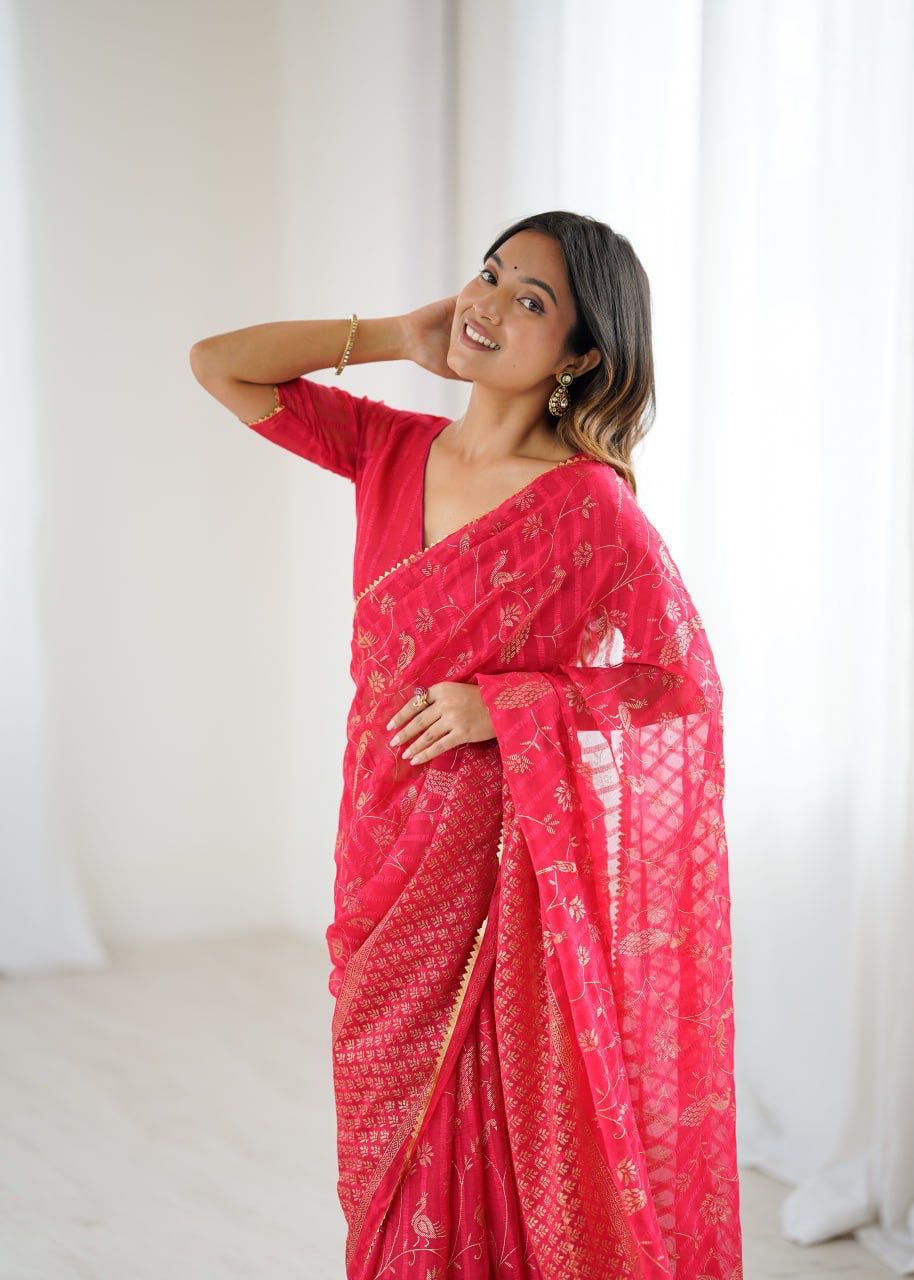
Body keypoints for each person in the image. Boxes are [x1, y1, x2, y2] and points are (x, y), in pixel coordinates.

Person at [190, 211, 743, 1280]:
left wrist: (515, 701)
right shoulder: (390, 446)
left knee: (482, 1109)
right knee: (378, 1114)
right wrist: (398, 334)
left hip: (491, 869)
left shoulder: (587, 507)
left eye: (530, 300)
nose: (488, 303)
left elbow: (679, 682)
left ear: (583, 355)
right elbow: (218, 365)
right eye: (488, 275)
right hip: (376, 834)